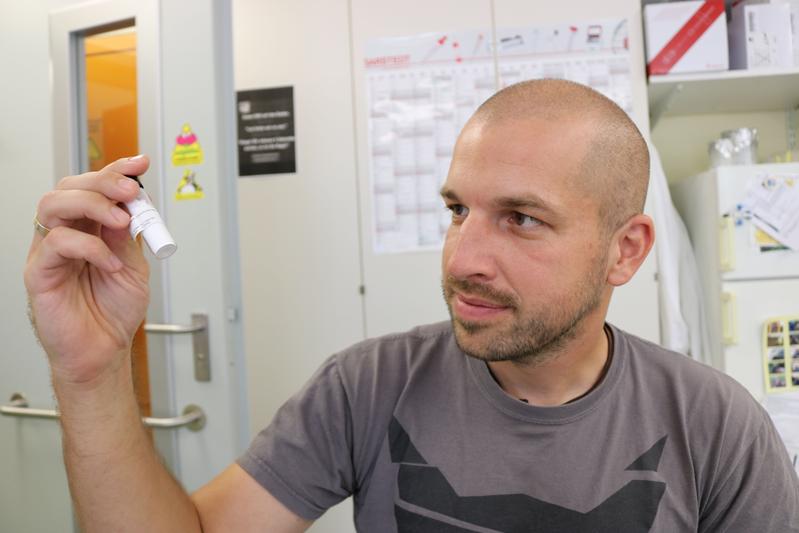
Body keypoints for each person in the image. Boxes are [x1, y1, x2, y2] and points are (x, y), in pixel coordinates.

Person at [24, 79, 799, 532]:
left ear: (624, 250)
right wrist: (89, 375)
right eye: (458, 209)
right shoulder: (369, 385)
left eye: (521, 218)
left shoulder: (714, 426)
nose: (462, 258)